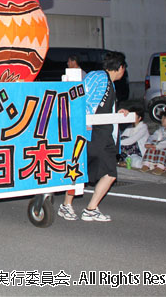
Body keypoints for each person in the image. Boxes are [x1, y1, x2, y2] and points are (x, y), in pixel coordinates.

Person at [58, 51, 129, 223]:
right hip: (91, 133)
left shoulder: (110, 83)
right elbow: (82, 98)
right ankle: (66, 205)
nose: (124, 72)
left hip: (105, 135)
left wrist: (118, 113)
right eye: (124, 68)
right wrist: (83, 125)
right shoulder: (98, 76)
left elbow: (104, 108)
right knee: (78, 168)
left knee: (110, 173)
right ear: (120, 67)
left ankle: (91, 209)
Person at [141, 111, 166, 175]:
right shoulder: (161, 129)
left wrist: (156, 146)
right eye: (162, 118)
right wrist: (148, 143)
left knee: (163, 145)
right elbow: (153, 136)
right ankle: (147, 164)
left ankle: (161, 166)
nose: (162, 120)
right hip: (158, 147)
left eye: (164, 118)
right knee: (153, 143)